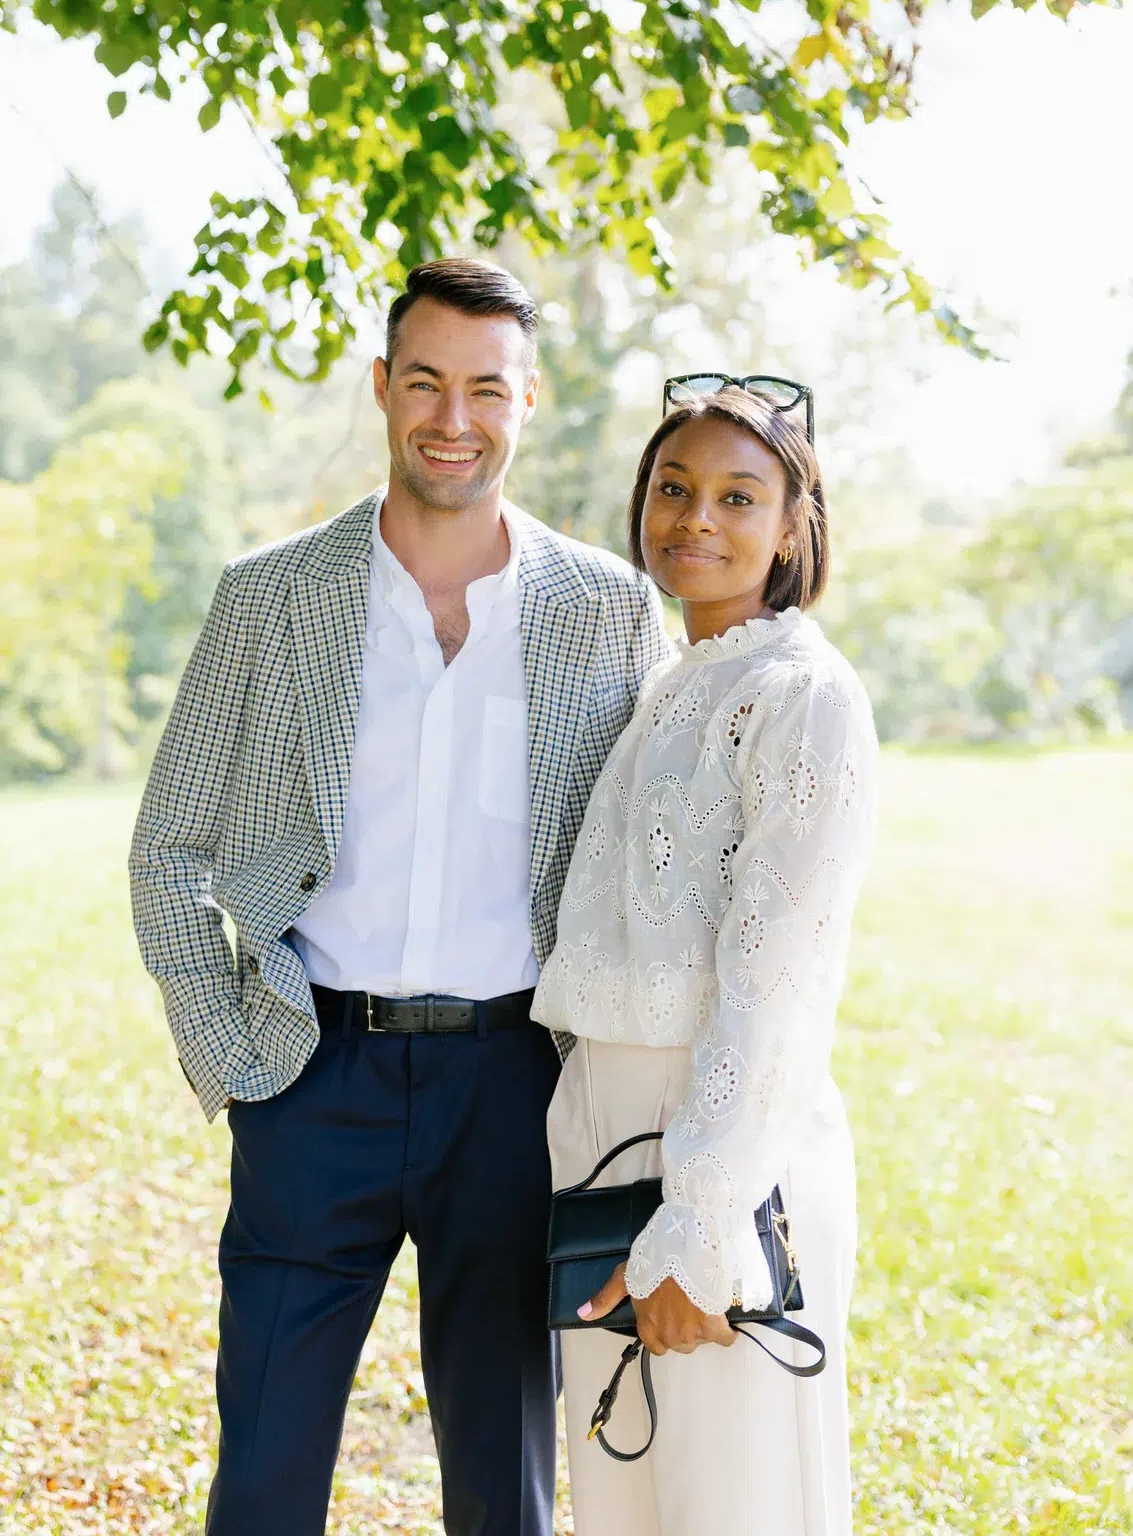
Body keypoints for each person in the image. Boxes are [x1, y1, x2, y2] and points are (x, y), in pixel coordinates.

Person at [128, 257, 671, 1536]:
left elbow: (649, 876)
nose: (452, 416)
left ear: (527, 401)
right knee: (261, 1471)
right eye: (424, 380)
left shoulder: (606, 610)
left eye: (486, 388)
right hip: (310, 1074)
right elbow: (166, 851)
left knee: (506, 1483)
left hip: (512, 1087)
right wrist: (232, 1051)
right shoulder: (268, 597)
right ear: (382, 387)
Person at [531, 380, 878, 1536]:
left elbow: (775, 980)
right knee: (626, 1497)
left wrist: (701, 1217)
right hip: (599, 1129)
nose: (696, 518)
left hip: (717, 1152)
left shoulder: (802, 694)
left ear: (792, 525)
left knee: (733, 1505)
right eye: (672, 488)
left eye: (739, 495)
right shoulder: (668, 681)